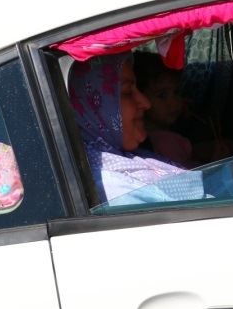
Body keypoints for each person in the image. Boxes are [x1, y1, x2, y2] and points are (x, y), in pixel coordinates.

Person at [68, 53, 197, 204]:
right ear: (93, 105)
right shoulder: (114, 188)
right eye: (127, 92)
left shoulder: (124, 159)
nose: (145, 103)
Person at [132, 51, 200, 168]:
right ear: (140, 100)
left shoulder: (159, 137)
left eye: (177, 92)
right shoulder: (166, 143)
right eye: (162, 95)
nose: (174, 102)